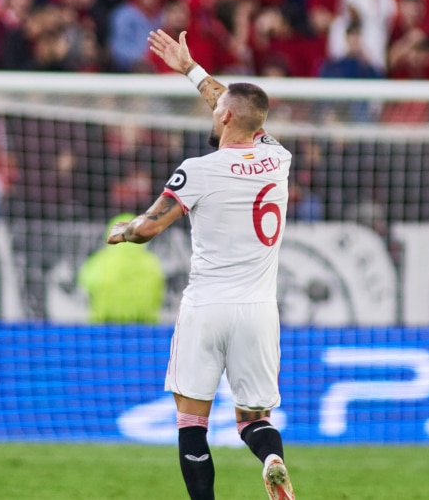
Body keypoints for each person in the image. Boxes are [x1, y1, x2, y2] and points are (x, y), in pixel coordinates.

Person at [108, 28, 295, 500]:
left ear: (226, 117)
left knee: (192, 422)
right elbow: (234, 103)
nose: (212, 110)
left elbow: (149, 227)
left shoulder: (199, 169)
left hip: (207, 307)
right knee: (253, 419)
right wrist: (191, 70)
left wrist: (125, 230)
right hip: (258, 310)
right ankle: (271, 458)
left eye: (217, 110)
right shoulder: (278, 158)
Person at [78, 213, 166, 324]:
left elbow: (85, 287)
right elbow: (159, 295)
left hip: (104, 328)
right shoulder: (152, 263)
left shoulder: (98, 261)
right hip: (143, 329)